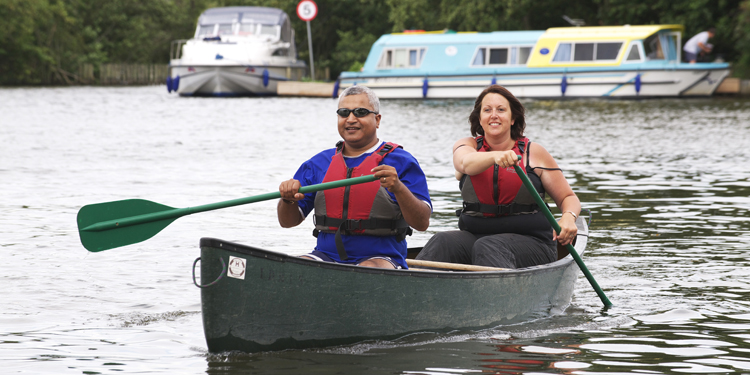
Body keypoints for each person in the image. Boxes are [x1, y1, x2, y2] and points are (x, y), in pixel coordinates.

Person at [416, 85, 580, 269]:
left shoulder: (533, 153)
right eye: (487, 110)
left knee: (489, 246)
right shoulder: (467, 145)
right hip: (478, 237)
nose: (494, 115)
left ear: (512, 118)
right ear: (480, 119)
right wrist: (495, 156)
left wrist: (568, 217)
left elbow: (568, 198)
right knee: (442, 240)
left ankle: (492, 295)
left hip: (533, 243)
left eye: (501, 110)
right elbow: (464, 163)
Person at [277, 85, 432, 269]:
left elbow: (422, 223)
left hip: (382, 258)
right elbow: (287, 222)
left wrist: (398, 187)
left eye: (360, 112)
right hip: (326, 255)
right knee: (293, 267)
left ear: (377, 119)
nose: (351, 119)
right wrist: (287, 200)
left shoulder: (401, 162)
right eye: (344, 113)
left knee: (366, 270)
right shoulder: (318, 163)